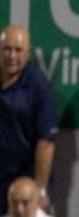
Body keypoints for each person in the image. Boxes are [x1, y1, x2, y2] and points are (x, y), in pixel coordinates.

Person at [0, 25, 58, 206]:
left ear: (28, 53)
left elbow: (46, 143)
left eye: (18, 50)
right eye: (6, 49)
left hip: (23, 181)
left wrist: (39, 190)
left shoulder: (39, 86)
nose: (12, 56)